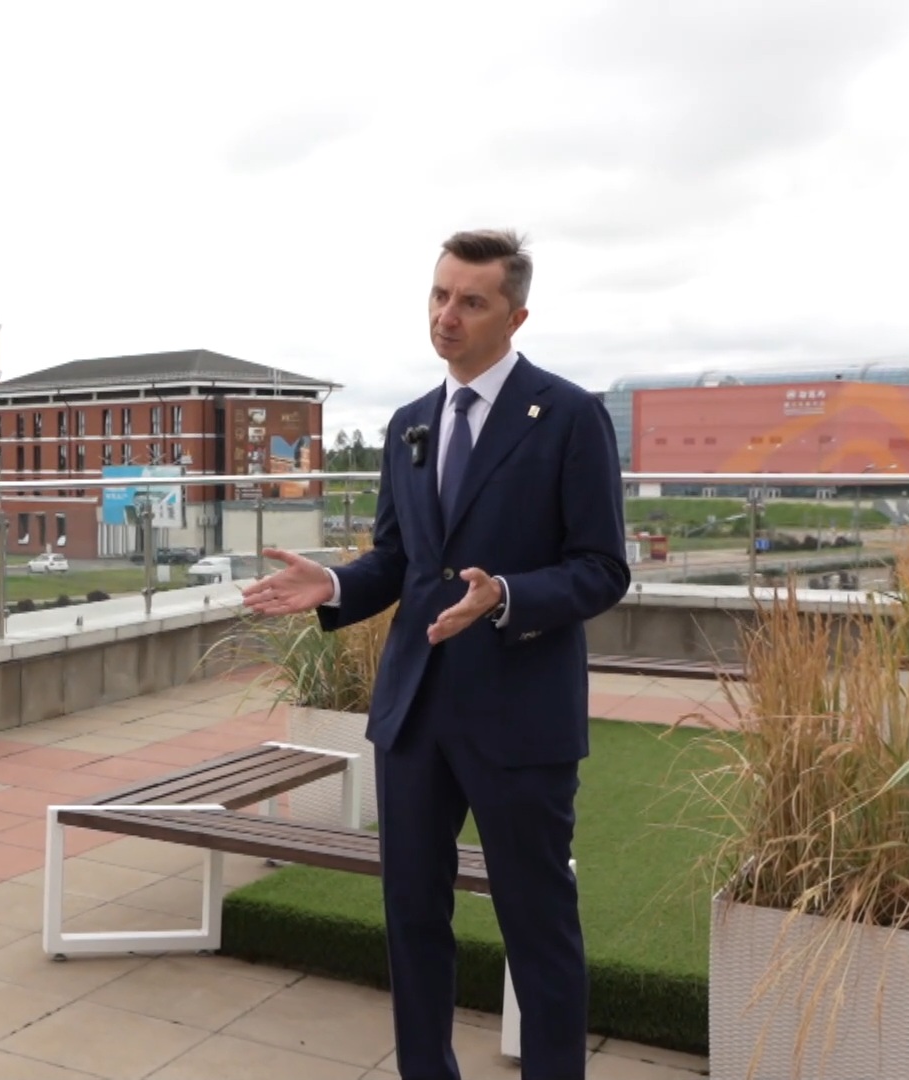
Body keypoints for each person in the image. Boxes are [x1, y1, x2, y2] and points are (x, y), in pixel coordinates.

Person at [242, 229, 628, 1080]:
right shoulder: (410, 421)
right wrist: (335, 584)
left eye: (471, 301)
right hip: (414, 714)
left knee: (537, 926)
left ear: (515, 317)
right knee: (412, 918)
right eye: (439, 294)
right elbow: (399, 561)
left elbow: (603, 569)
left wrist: (508, 595)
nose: (447, 315)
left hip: (521, 717)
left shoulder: (569, 416)